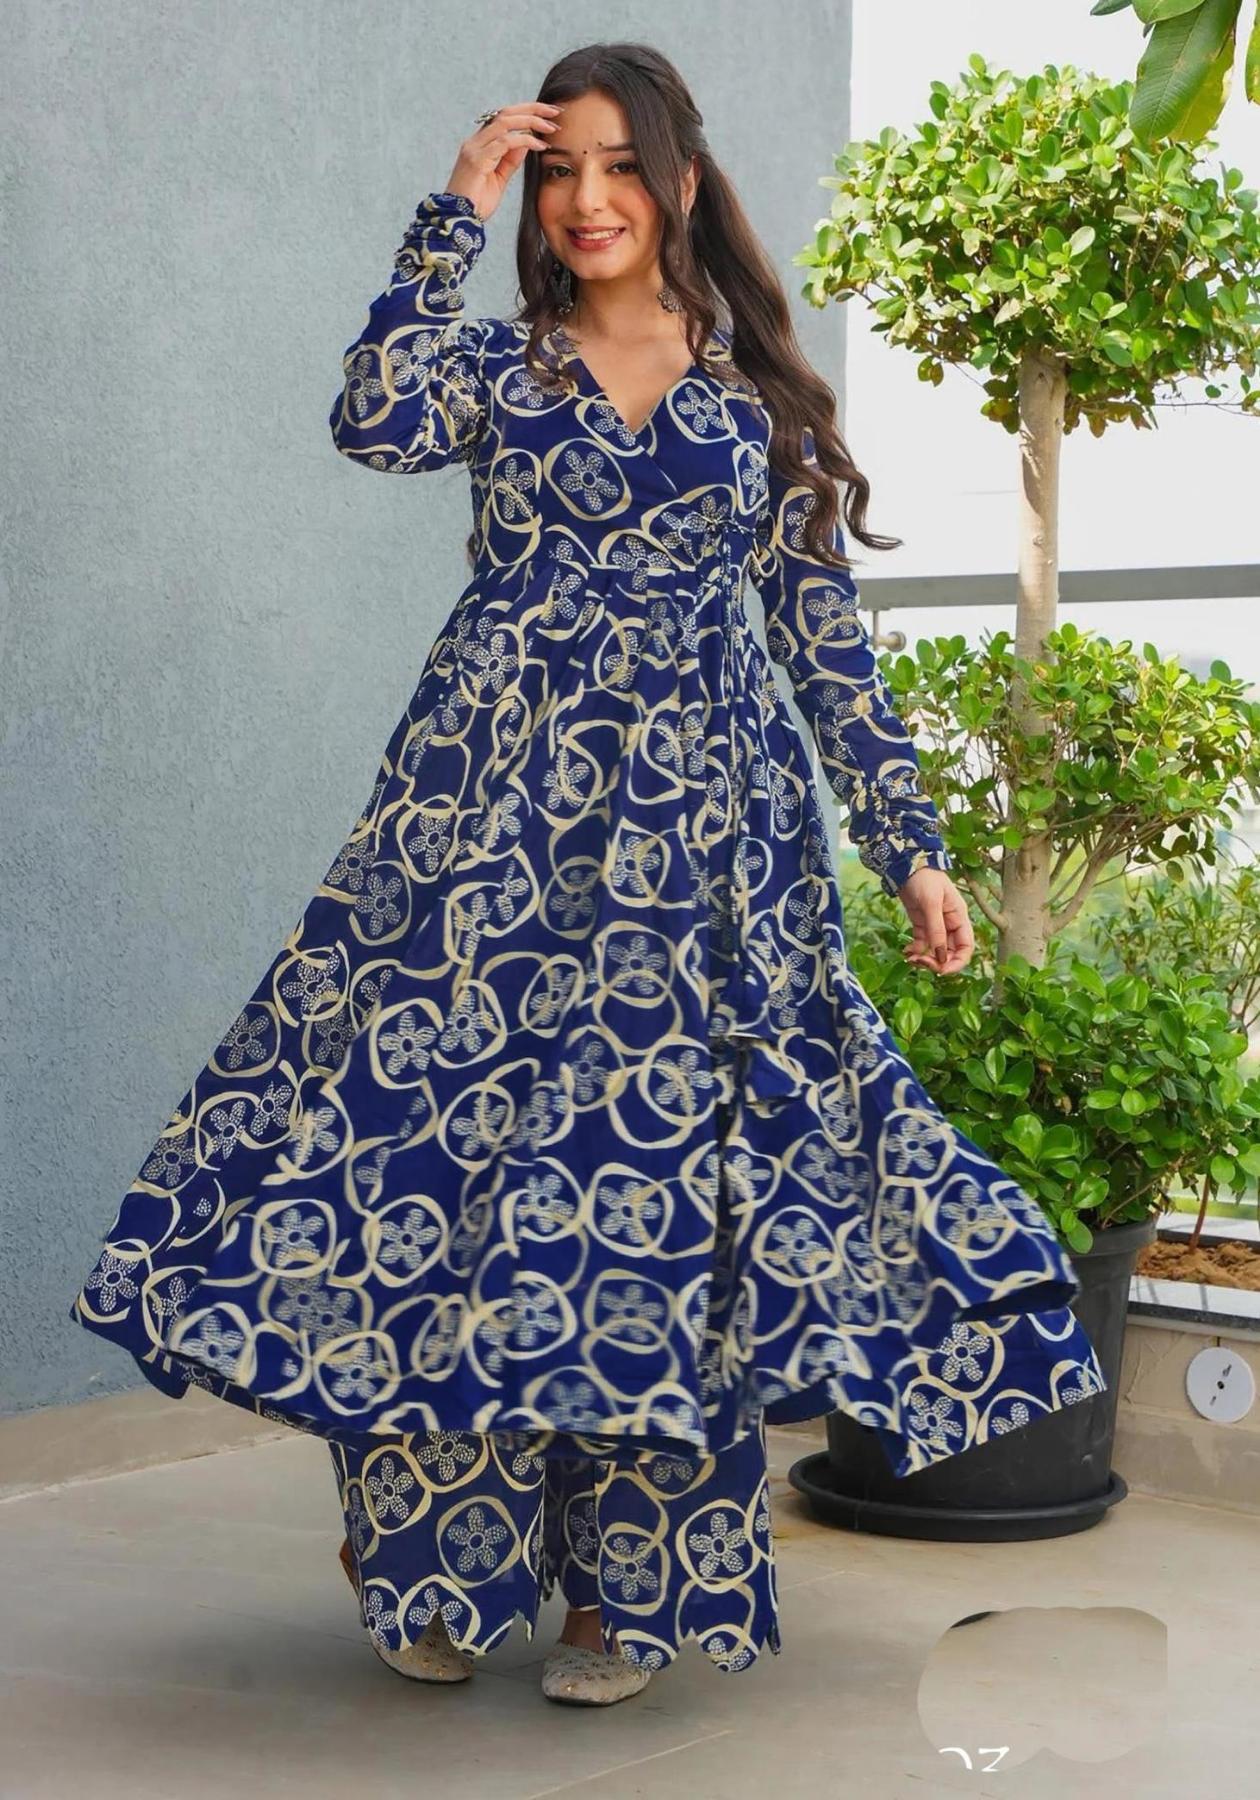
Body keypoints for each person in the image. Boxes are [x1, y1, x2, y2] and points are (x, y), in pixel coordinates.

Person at [69, 42, 1106, 1707]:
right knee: (442, 1179)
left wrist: (910, 847)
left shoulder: (758, 400)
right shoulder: (502, 367)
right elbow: (369, 418)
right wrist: (449, 212)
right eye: (558, 170)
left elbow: (824, 644)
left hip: (703, 866)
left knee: (648, 1204)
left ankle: (632, 1597)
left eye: (618, 165)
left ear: (680, 181)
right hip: (481, 839)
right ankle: (431, 1561)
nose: (587, 199)